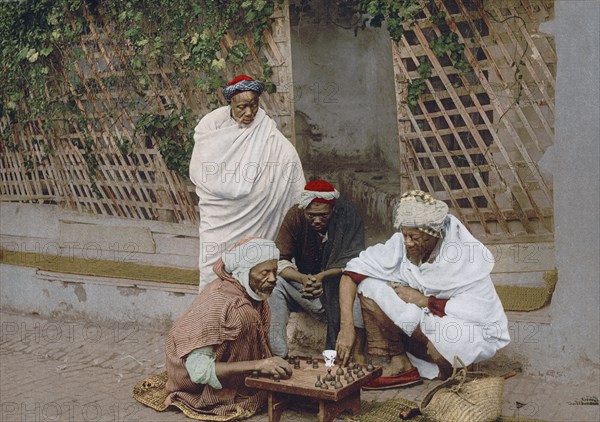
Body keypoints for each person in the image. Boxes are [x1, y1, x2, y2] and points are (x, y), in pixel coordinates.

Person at [335, 190, 510, 389]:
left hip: (463, 325)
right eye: (405, 234)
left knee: (443, 349)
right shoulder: (402, 243)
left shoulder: (463, 255)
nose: (408, 242)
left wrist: (424, 301)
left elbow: (478, 311)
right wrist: (346, 326)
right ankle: (400, 362)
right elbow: (352, 273)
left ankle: (460, 371)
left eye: (414, 237)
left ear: (433, 233)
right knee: (369, 285)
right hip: (423, 319)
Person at [189, 75, 305, 288]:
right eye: (242, 107)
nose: (249, 112)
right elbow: (202, 172)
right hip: (218, 220)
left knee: (253, 272)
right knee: (213, 272)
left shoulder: (268, 135)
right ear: (230, 104)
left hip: (258, 221)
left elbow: (288, 162)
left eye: (253, 106)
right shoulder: (211, 128)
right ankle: (213, 314)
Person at [164, 238, 293, 419]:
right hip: (191, 379)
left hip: (218, 365)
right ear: (244, 272)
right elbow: (198, 372)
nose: (272, 279)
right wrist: (258, 364)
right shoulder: (220, 302)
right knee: (243, 315)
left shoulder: (252, 296)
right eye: (264, 272)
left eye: (274, 271)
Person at [268, 179, 366, 361]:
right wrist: (303, 279)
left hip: (340, 293)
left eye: (323, 215)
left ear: (333, 210)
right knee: (276, 285)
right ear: (303, 209)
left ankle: (357, 355)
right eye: (311, 215)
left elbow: (356, 263)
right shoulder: (295, 216)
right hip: (309, 290)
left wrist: (323, 277)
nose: (317, 220)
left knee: (363, 286)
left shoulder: (348, 217)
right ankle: (278, 355)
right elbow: (280, 261)